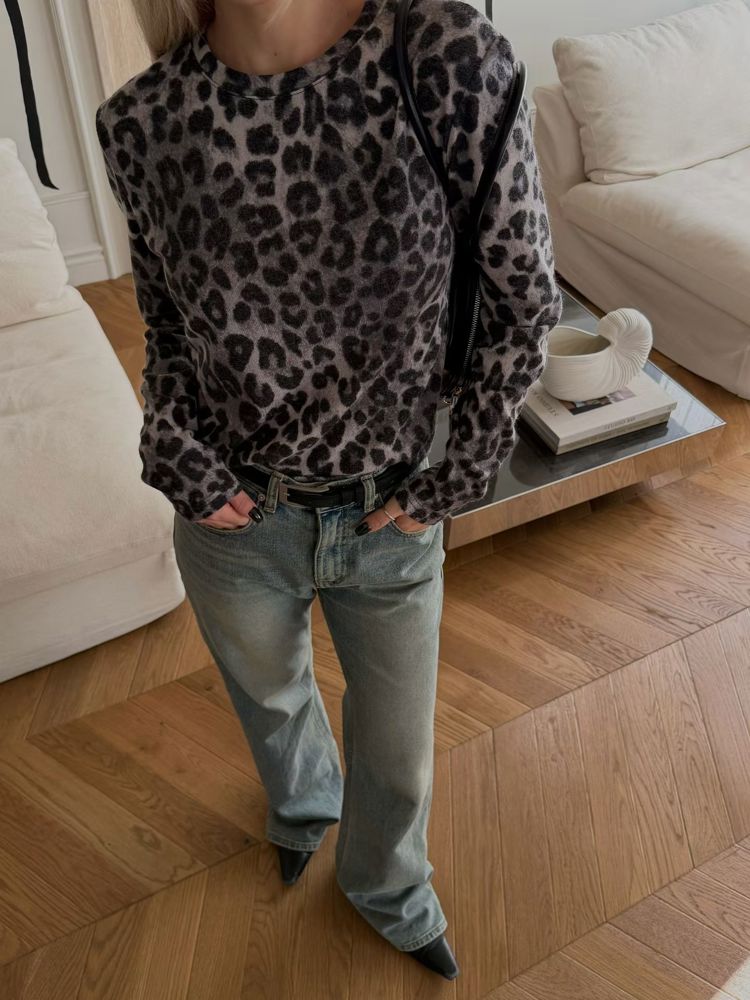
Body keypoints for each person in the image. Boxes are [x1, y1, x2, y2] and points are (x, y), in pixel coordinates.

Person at [95, 0, 563, 980]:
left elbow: (523, 300)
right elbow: (168, 329)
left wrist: (458, 469)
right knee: (271, 700)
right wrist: (173, 445)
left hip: (391, 511)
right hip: (232, 520)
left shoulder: (444, 58)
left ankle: (386, 885)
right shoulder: (144, 122)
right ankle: (305, 807)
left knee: (397, 747)